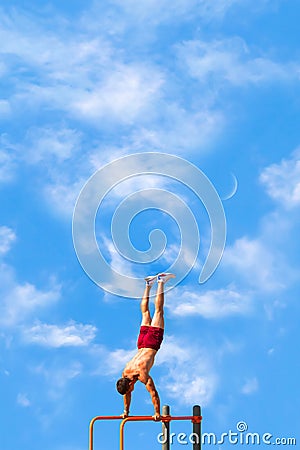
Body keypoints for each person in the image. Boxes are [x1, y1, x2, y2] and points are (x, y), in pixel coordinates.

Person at [116, 272, 175, 420]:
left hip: (151, 343)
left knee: (159, 311)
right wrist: (126, 412)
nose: (131, 391)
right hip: (141, 343)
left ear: (129, 385)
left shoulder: (141, 374)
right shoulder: (125, 373)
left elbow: (153, 393)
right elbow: (126, 394)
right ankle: (148, 284)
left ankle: (161, 282)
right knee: (145, 312)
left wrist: (157, 413)